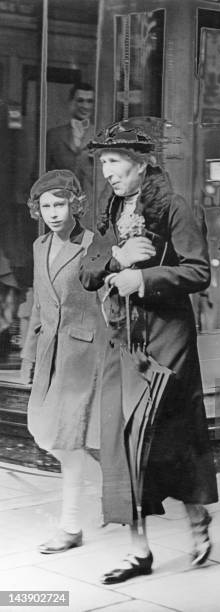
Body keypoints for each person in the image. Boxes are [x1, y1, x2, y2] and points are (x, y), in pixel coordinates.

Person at [79, 120, 218, 585]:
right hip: (123, 337)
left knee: (167, 434)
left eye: (114, 162)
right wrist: (117, 261)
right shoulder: (110, 210)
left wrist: (144, 279)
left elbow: (198, 272)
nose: (107, 173)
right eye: (103, 163)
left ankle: (197, 520)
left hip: (168, 337)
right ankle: (138, 550)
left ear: (141, 164)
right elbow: (88, 272)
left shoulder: (176, 207)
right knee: (122, 440)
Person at [20, 170, 101, 553]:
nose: (53, 213)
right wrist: (29, 357)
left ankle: (70, 527)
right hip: (50, 354)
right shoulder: (39, 246)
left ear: (76, 204)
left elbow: (108, 304)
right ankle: (121, 492)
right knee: (46, 430)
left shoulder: (93, 245)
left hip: (84, 356)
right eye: (46, 206)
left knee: (69, 442)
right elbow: (39, 303)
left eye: (61, 204)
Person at [46, 83, 95, 204]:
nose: (85, 106)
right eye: (80, 100)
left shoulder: (103, 136)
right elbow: (40, 174)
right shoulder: (54, 135)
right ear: (71, 102)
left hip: (92, 207)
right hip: (60, 205)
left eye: (89, 101)